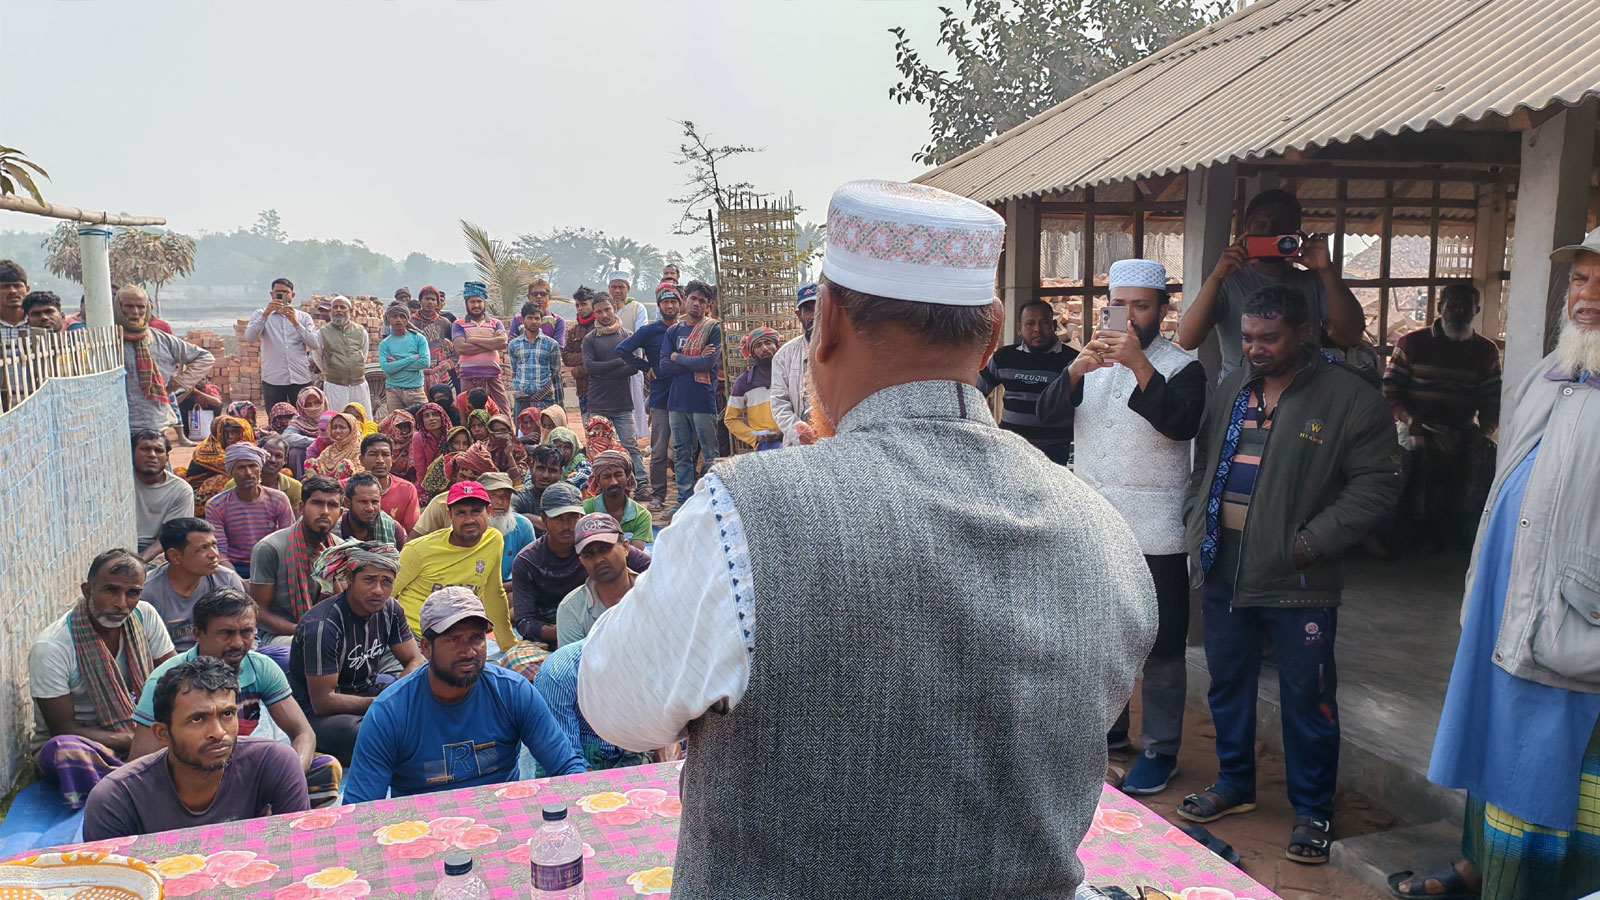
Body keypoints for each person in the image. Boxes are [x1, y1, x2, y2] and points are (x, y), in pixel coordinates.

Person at [578, 179, 1156, 899]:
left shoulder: (745, 515)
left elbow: (615, 704)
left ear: (826, 326)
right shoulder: (1102, 533)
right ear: (993, 331)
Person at [1388, 228, 1600, 900]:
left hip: (1577, 621)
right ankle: (1479, 869)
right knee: (1498, 745)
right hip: (1514, 604)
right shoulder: (1553, 371)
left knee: (1551, 767)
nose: (1586, 296)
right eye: (1580, 279)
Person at [1178, 283, 1401, 863]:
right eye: (1248, 337)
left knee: (1309, 699)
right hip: (1224, 569)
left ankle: (1312, 811)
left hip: (1299, 582)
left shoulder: (1348, 399)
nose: (1256, 348)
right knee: (1227, 685)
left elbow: (1378, 484)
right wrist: (1194, 523)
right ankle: (1234, 785)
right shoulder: (1234, 387)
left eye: (1269, 338)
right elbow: (1206, 464)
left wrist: (1308, 544)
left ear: (1304, 333)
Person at [1037, 259, 1207, 795]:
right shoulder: (1089, 364)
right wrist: (1074, 372)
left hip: (1156, 532)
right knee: (1099, 635)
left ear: (1162, 309)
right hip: (1094, 525)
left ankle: (1160, 749)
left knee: (1161, 646)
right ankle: (1108, 732)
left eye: (1142, 306)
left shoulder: (1183, 368)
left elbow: (1179, 423)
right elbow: (1045, 416)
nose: (1131, 318)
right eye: (1122, 305)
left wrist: (1139, 367)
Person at [342, 587, 584, 802]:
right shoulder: (389, 712)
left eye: (476, 638)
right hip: (422, 834)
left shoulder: (513, 692)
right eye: (453, 639)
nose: (468, 651)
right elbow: (361, 808)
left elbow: (565, 766)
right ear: (426, 647)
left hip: (505, 821)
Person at [125, 588, 338, 805]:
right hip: (190, 776)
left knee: (325, 769)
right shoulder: (166, 680)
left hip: (241, 771)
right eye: (226, 633)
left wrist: (290, 775)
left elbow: (303, 733)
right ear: (198, 634)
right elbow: (140, 763)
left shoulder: (261, 667)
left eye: (246, 632)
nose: (237, 643)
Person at [80, 657, 308, 840]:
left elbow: (298, 854)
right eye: (198, 719)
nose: (218, 732)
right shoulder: (115, 799)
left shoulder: (274, 762)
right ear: (163, 733)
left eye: (227, 714)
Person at [30, 549, 177, 807]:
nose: (122, 603)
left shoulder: (144, 615)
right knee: (67, 753)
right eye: (110, 590)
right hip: (91, 745)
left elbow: (174, 680)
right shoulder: (52, 647)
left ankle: (135, 778)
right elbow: (63, 728)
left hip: (144, 730)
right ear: (87, 590)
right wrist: (136, 739)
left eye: (132, 593)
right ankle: (133, 787)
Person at [1176, 189, 1364, 381]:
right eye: (1261, 224)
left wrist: (1326, 270)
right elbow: (1188, 339)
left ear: (1296, 234)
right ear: (1247, 230)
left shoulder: (1313, 281)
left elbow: (1353, 329)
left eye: (1282, 226)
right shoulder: (1228, 282)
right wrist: (1217, 276)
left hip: (1303, 394)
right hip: (1241, 396)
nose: (1270, 231)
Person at [1383, 281, 1502, 550]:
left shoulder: (1486, 351)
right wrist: (1410, 420)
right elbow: (1390, 391)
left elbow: (1492, 400)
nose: (1458, 311)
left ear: (1477, 310)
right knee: (1416, 454)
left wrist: (1483, 433)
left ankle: (1463, 531)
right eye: (1452, 305)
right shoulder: (1411, 343)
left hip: (1463, 426)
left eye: (1466, 307)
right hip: (1415, 423)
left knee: (1485, 455)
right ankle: (1413, 528)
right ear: (1440, 308)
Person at [290, 540, 422, 767]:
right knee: (368, 733)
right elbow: (323, 702)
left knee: (431, 702)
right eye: (369, 580)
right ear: (349, 579)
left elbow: (415, 659)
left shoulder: (390, 609)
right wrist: (384, 704)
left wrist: (397, 694)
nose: (378, 590)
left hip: (368, 693)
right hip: (318, 714)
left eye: (386, 581)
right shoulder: (323, 625)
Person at [511, 482, 652, 650]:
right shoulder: (527, 561)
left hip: (600, 627)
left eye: (572, 517)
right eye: (558, 518)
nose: (566, 525)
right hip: (550, 638)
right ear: (544, 520)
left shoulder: (601, 542)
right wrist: (566, 630)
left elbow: (655, 571)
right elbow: (524, 621)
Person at [393, 481, 513, 651]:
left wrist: (508, 646)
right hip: (417, 636)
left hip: (465, 637)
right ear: (450, 515)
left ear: (488, 512)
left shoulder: (494, 540)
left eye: (476, 511)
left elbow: (494, 594)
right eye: (461, 513)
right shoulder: (418, 550)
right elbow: (386, 594)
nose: (469, 519)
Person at [978, 298, 1078, 463]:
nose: (1037, 329)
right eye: (1030, 323)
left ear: (1053, 326)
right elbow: (975, 392)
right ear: (1019, 329)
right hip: (1010, 448)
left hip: (1054, 451)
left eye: (1044, 323)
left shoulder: (1072, 362)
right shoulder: (1004, 357)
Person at [251, 475, 343, 652]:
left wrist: (328, 575)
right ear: (301, 507)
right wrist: (303, 630)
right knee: (315, 646)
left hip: (329, 631)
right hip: (279, 636)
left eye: (332, 505)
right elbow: (258, 612)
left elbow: (344, 604)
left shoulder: (339, 549)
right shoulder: (269, 548)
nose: (324, 511)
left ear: (340, 512)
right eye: (317, 503)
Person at [532, 640, 652, 772]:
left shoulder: (644, 662)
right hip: (579, 760)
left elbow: (663, 722)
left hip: (627, 751)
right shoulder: (559, 675)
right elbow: (567, 757)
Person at [117, 286, 216, 435]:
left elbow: (205, 358)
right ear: (118, 308)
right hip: (119, 423)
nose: (135, 312)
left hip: (155, 421)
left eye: (140, 307)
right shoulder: (109, 341)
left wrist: (177, 383)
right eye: (129, 306)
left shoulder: (162, 340)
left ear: (147, 309)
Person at [617, 282, 681, 510]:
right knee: (659, 449)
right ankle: (659, 495)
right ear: (660, 305)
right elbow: (622, 350)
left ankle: (687, 494)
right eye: (666, 302)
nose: (670, 305)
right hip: (661, 398)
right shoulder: (650, 330)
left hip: (685, 397)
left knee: (685, 449)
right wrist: (646, 367)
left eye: (674, 301)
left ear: (680, 305)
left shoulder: (687, 330)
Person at [143, 518, 249, 652]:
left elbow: (246, 630)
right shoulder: (148, 591)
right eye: (203, 548)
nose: (214, 554)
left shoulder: (227, 580)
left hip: (223, 658)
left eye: (214, 545)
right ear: (174, 556)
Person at [660, 280, 722, 509]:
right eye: (693, 298)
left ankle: (713, 500)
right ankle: (683, 502)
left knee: (710, 453)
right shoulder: (673, 331)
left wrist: (678, 357)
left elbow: (708, 362)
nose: (696, 304)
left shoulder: (713, 329)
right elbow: (664, 367)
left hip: (703, 401)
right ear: (685, 299)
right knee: (681, 453)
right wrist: (693, 361)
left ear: (708, 305)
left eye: (702, 301)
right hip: (677, 401)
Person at [581, 294, 648, 490]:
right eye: (599, 311)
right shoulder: (590, 339)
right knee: (598, 447)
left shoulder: (627, 336)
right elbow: (590, 368)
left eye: (607, 309)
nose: (603, 315)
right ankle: (599, 488)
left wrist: (604, 371)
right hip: (598, 404)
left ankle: (641, 483)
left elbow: (633, 367)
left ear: (614, 308)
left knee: (630, 446)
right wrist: (620, 361)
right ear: (594, 314)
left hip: (622, 404)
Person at [204, 442, 294, 578]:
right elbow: (220, 553)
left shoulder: (279, 499)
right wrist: (238, 581)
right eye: (241, 468)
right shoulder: (216, 505)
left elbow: (289, 542)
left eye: (253, 466)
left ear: (260, 468)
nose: (248, 473)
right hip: (233, 567)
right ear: (231, 472)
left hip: (270, 563)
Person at [554, 513, 637, 647]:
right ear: (582, 561)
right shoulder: (571, 609)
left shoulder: (652, 592)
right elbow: (574, 664)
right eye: (589, 554)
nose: (598, 560)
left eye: (605, 549)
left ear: (625, 548)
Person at [244, 277, 323, 409]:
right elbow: (250, 338)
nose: (282, 295)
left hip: (300, 378)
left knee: (304, 418)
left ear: (292, 295)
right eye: (278, 292)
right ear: (271, 294)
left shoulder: (303, 317)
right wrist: (265, 315)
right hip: (273, 379)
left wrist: (295, 322)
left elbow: (314, 344)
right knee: (275, 420)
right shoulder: (260, 314)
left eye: (286, 292)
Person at [132, 429, 195, 563]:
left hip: (157, 550)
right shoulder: (122, 483)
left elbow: (167, 537)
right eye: (145, 449)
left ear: (167, 458)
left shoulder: (181, 490)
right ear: (132, 454)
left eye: (158, 451)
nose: (152, 455)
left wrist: (138, 562)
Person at [769, 283, 818, 447]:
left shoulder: (845, 351)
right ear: (799, 315)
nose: (814, 315)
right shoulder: (784, 356)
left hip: (837, 443)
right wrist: (803, 435)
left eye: (819, 308)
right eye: (808, 310)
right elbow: (779, 404)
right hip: (798, 446)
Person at [606, 270, 652, 440]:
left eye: (621, 287)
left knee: (632, 401)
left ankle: (631, 438)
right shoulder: (605, 308)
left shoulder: (637, 308)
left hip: (630, 363)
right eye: (614, 287)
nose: (617, 291)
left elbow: (640, 334)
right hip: (608, 365)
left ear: (628, 289)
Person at [451, 281, 510, 410]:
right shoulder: (458, 324)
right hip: (468, 378)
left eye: (479, 301)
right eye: (472, 302)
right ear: (466, 303)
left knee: (502, 411)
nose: (476, 305)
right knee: (470, 413)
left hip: (493, 377)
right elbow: (461, 348)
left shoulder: (496, 323)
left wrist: (472, 339)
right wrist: (491, 344)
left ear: (484, 303)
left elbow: (502, 343)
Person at [724, 327, 784, 451]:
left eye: (768, 343)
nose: (764, 348)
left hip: (792, 435)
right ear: (752, 353)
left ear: (776, 346)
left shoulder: (788, 375)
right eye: (758, 345)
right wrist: (755, 437)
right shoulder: (744, 382)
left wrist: (783, 433)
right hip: (767, 444)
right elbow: (730, 419)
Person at [181, 415, 254, 515]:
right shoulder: (207, 450)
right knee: (227, 479)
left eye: (234, 432)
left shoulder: (235, 446)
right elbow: (234, 469)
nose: (231, 436)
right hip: (197, 493)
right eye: (226, 433)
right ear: (218, 432)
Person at [582, 450, 651, 548]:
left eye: (618, 475)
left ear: (627, 476)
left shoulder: (642, 516)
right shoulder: (585, 510)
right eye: (607, 477)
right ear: (598, 481)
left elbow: (635, 556)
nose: (613, 482)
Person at [509, 300, 564, 421]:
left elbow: (555, 373)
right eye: (530, 318)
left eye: (537, 318)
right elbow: (514, 371)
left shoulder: (551, 344)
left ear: (541, 320)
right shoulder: (513, 345)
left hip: (544, 400)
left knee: (545, 435)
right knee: (522, 436)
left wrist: (558, 404)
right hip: (522, 400)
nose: (534, 322)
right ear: (523, 320)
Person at [316, 294, 372, 413]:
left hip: (358, 384)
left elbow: (363, 354)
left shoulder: (361, 331)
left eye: (342, 307)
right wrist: (331, 370)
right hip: (335, 386)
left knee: (360, 419)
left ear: (350, 311)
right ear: (331, 311)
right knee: (337, 421)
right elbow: (317, 356)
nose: (338, 310)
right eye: (335, 307)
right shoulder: (322, 332)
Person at [482, 471, 536, 589]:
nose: (500, 502)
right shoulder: (470, 526)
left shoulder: (523, 525)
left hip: (510, 590)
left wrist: (498, 590)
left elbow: (531, 573)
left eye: (505, 497)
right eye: (493, 496)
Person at [359, 432, 419, 532]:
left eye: (385, 454)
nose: (380, 460)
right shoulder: (346, 487)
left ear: (392, 459)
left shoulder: (407, 489)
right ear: (361, 460)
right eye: (373, 454)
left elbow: (413, 531)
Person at [378, 303, 429, 414]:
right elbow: (386, 369)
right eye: (394, 316)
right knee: (397, 425)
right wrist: (410, 358)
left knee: (423, 421)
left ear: (407, 319)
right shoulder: (384, 344)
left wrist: (396, 363)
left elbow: (425, 363)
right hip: (393, 391)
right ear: (388, 319)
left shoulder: (418, 338)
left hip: (415, 389)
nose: (398, 320)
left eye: (402, 316)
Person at [340, 472, 408, 549]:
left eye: (375, 502)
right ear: (347, 502)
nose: (370, 508)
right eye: (363, 502)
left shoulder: (392, 529)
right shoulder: (335, 528)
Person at [411, 285, 457, 392]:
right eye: (427, 299)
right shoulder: (412, 323)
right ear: (420, 301)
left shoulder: (445, 323)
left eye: (433, 299)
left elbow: (456, 347)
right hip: (417, 374)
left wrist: (450, 362)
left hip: (440, 375)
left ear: (438, 302)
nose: (430, 302)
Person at [563, 287, 597, 416]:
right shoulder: (573, 332)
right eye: (577, 305)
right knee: (587, 428)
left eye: (584, 304)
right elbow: (566, 357)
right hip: (583, 389)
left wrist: (577, 371)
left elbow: (602, 357)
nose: (580, 308)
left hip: (602, 389)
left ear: (593, 304)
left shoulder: (602, 328)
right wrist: (589, 357)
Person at [512, 444, 566, 525]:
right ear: (531, 467)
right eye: (540, 468)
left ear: (560, 472)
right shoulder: (521, 497)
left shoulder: (566, 496)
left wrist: (524, 517)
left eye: (552, 470)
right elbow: (508, 515)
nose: (545, 475)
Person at [247, 435, 303, 509]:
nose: (272, 460)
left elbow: (295, 520)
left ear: (285, 460)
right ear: (259, 455)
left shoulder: (294, 487)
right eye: (268, 454)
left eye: (278, 456)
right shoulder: (237, 484)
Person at [305, 411, 364, 479]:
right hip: (324, 484)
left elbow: (361, 471)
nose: (337, 431)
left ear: (351, 430)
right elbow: (319, 464)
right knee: (310, 462)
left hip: (345, 485)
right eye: (334, 427)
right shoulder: (329, 450)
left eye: (342, 427)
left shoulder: (359, 448)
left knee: (345, 464)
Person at [378, 408, 418, 483]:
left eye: (406, 427)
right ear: (392, 427)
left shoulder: (416, 440)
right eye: (400, 426)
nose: (403, 430)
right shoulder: (384, 442)